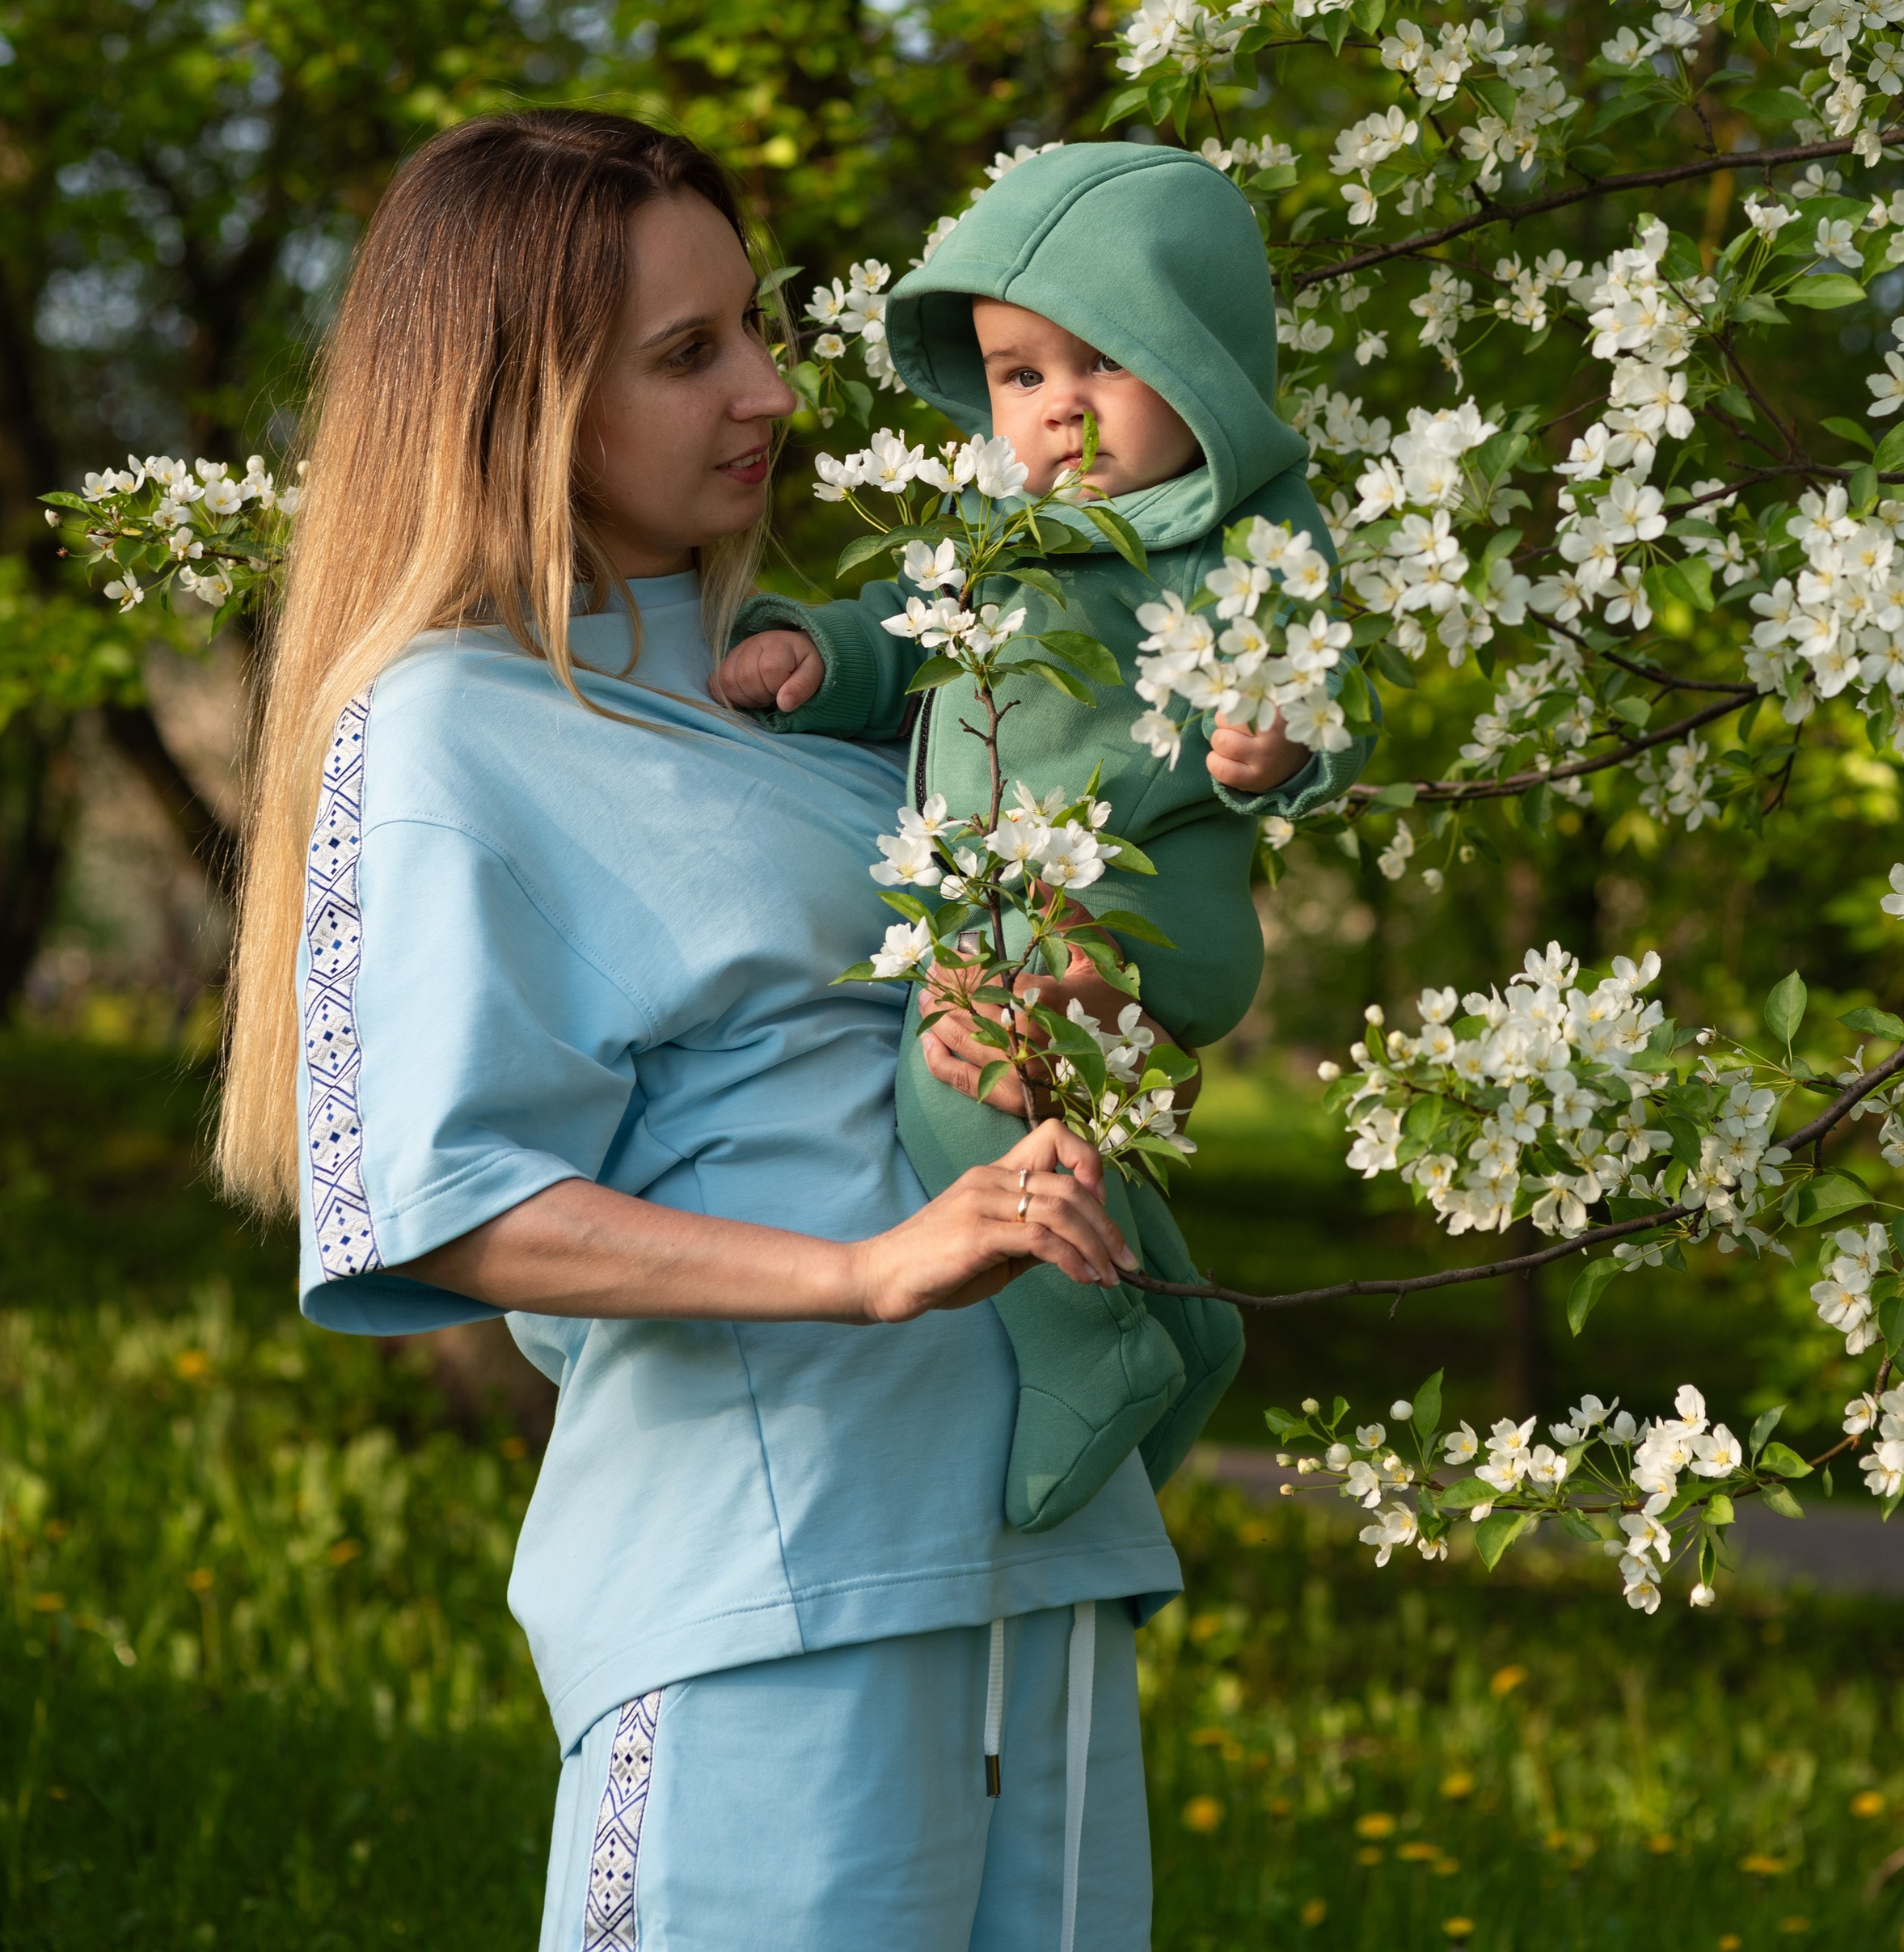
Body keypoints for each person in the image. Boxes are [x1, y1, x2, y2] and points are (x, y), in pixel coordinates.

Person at [216, 109, 1184, 1952]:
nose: (763, 391)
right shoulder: (445, 727)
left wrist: (1067, 1026)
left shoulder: (827, 708)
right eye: (686, 355)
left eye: (752, 330)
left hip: (1036, 1562)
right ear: (518, 405)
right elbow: (438, 1197)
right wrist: (870, 1271)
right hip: (765, 1595)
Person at [712, 143, 1364, 1532]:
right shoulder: (1001, 522)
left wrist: (1287, 743)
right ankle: (1178, 1332)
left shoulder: (1240, 530)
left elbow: (1330, 682)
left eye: (1104, 365)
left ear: (1200, 364)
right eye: (1021, 375)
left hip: (1141, 913)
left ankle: (1092, 1350)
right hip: (1014, 896)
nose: (1061, 410)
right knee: (1053, 1116)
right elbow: (920, 623)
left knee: (956, 1083)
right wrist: (820, 657)